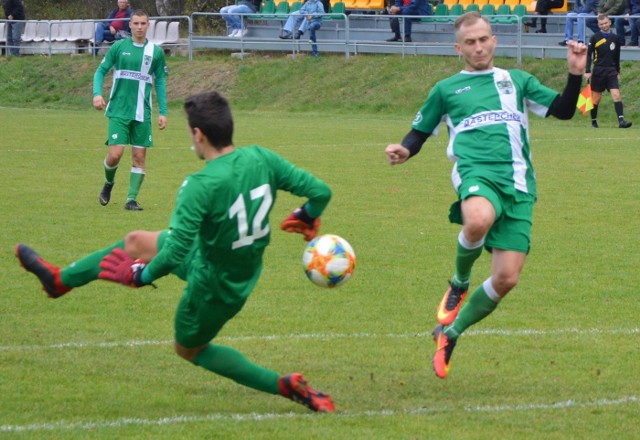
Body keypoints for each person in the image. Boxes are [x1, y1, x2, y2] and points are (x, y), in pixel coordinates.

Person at [16, 91, 336, 413]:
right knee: (135, 242)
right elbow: (321, 192)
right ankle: (60, 281)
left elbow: (175, 251)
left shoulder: (200, 185)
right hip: (220, 256)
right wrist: (307, 214)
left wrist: (144, 274)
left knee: (190, 349)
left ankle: (282, 385)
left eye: (189, 132)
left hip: (215, 285)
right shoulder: (262, 158)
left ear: (199, 134)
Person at [385, 12, 587, 379]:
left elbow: (564, 110)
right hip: (477, 173)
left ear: (494, 41)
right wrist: (404, 150)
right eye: (470, 42)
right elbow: (419, 131)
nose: (478, 47)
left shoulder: (517, 81)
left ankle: (450, 333)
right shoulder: (447, 89)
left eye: (483, 40)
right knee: (477, 218)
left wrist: (575, 72)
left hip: (520, 186)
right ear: (458, 48)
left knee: (506, 278)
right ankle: (459, 282)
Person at [93, 9, 168, 211]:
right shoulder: (119, 47)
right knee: (115, 154)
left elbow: (160, 81)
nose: (139, 27)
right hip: (118, 110)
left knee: (139, 157)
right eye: (136, 23)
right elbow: (100, 71)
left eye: (143, 23)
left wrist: (163, 112)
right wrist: (97, 94)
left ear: (148, 25)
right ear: (130, 25)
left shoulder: (156, 52)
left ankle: (131, 200)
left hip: (142, 113)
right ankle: (109, 183)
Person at [586, 14, 632, 128]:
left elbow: (617, 56)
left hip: (611, 70)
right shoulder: (595, 37)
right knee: (596, 98)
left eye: (606, 23)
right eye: (601, 24)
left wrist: (618, 71)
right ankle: (594, 122)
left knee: (616, 95)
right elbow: (588, 54)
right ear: (598, 25)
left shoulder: (615, 38)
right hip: (599, 70)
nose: (604, 25)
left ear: (610, 22)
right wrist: (587, 70)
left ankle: (621, 122)